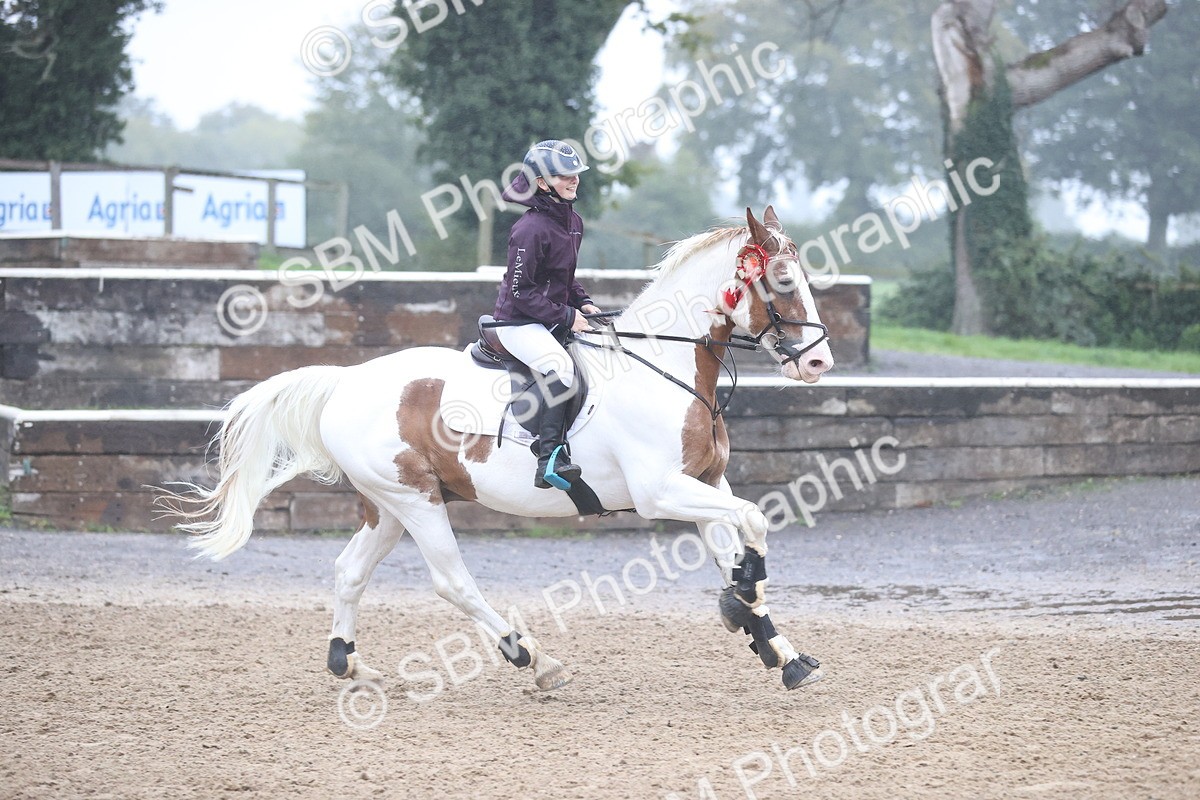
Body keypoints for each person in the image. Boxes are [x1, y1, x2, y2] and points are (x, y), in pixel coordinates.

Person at [493, 140, 602, 490]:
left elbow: (564, 277)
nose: (574, 180)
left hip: (546, 319)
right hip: (517, 322)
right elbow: (520, 293)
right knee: (561, 368)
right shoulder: (529, 229)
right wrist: (568, 317)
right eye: (564, 175)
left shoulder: (573, 222)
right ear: (542, 182)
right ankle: (550, 457)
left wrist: (583, 302)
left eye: (576, 174)